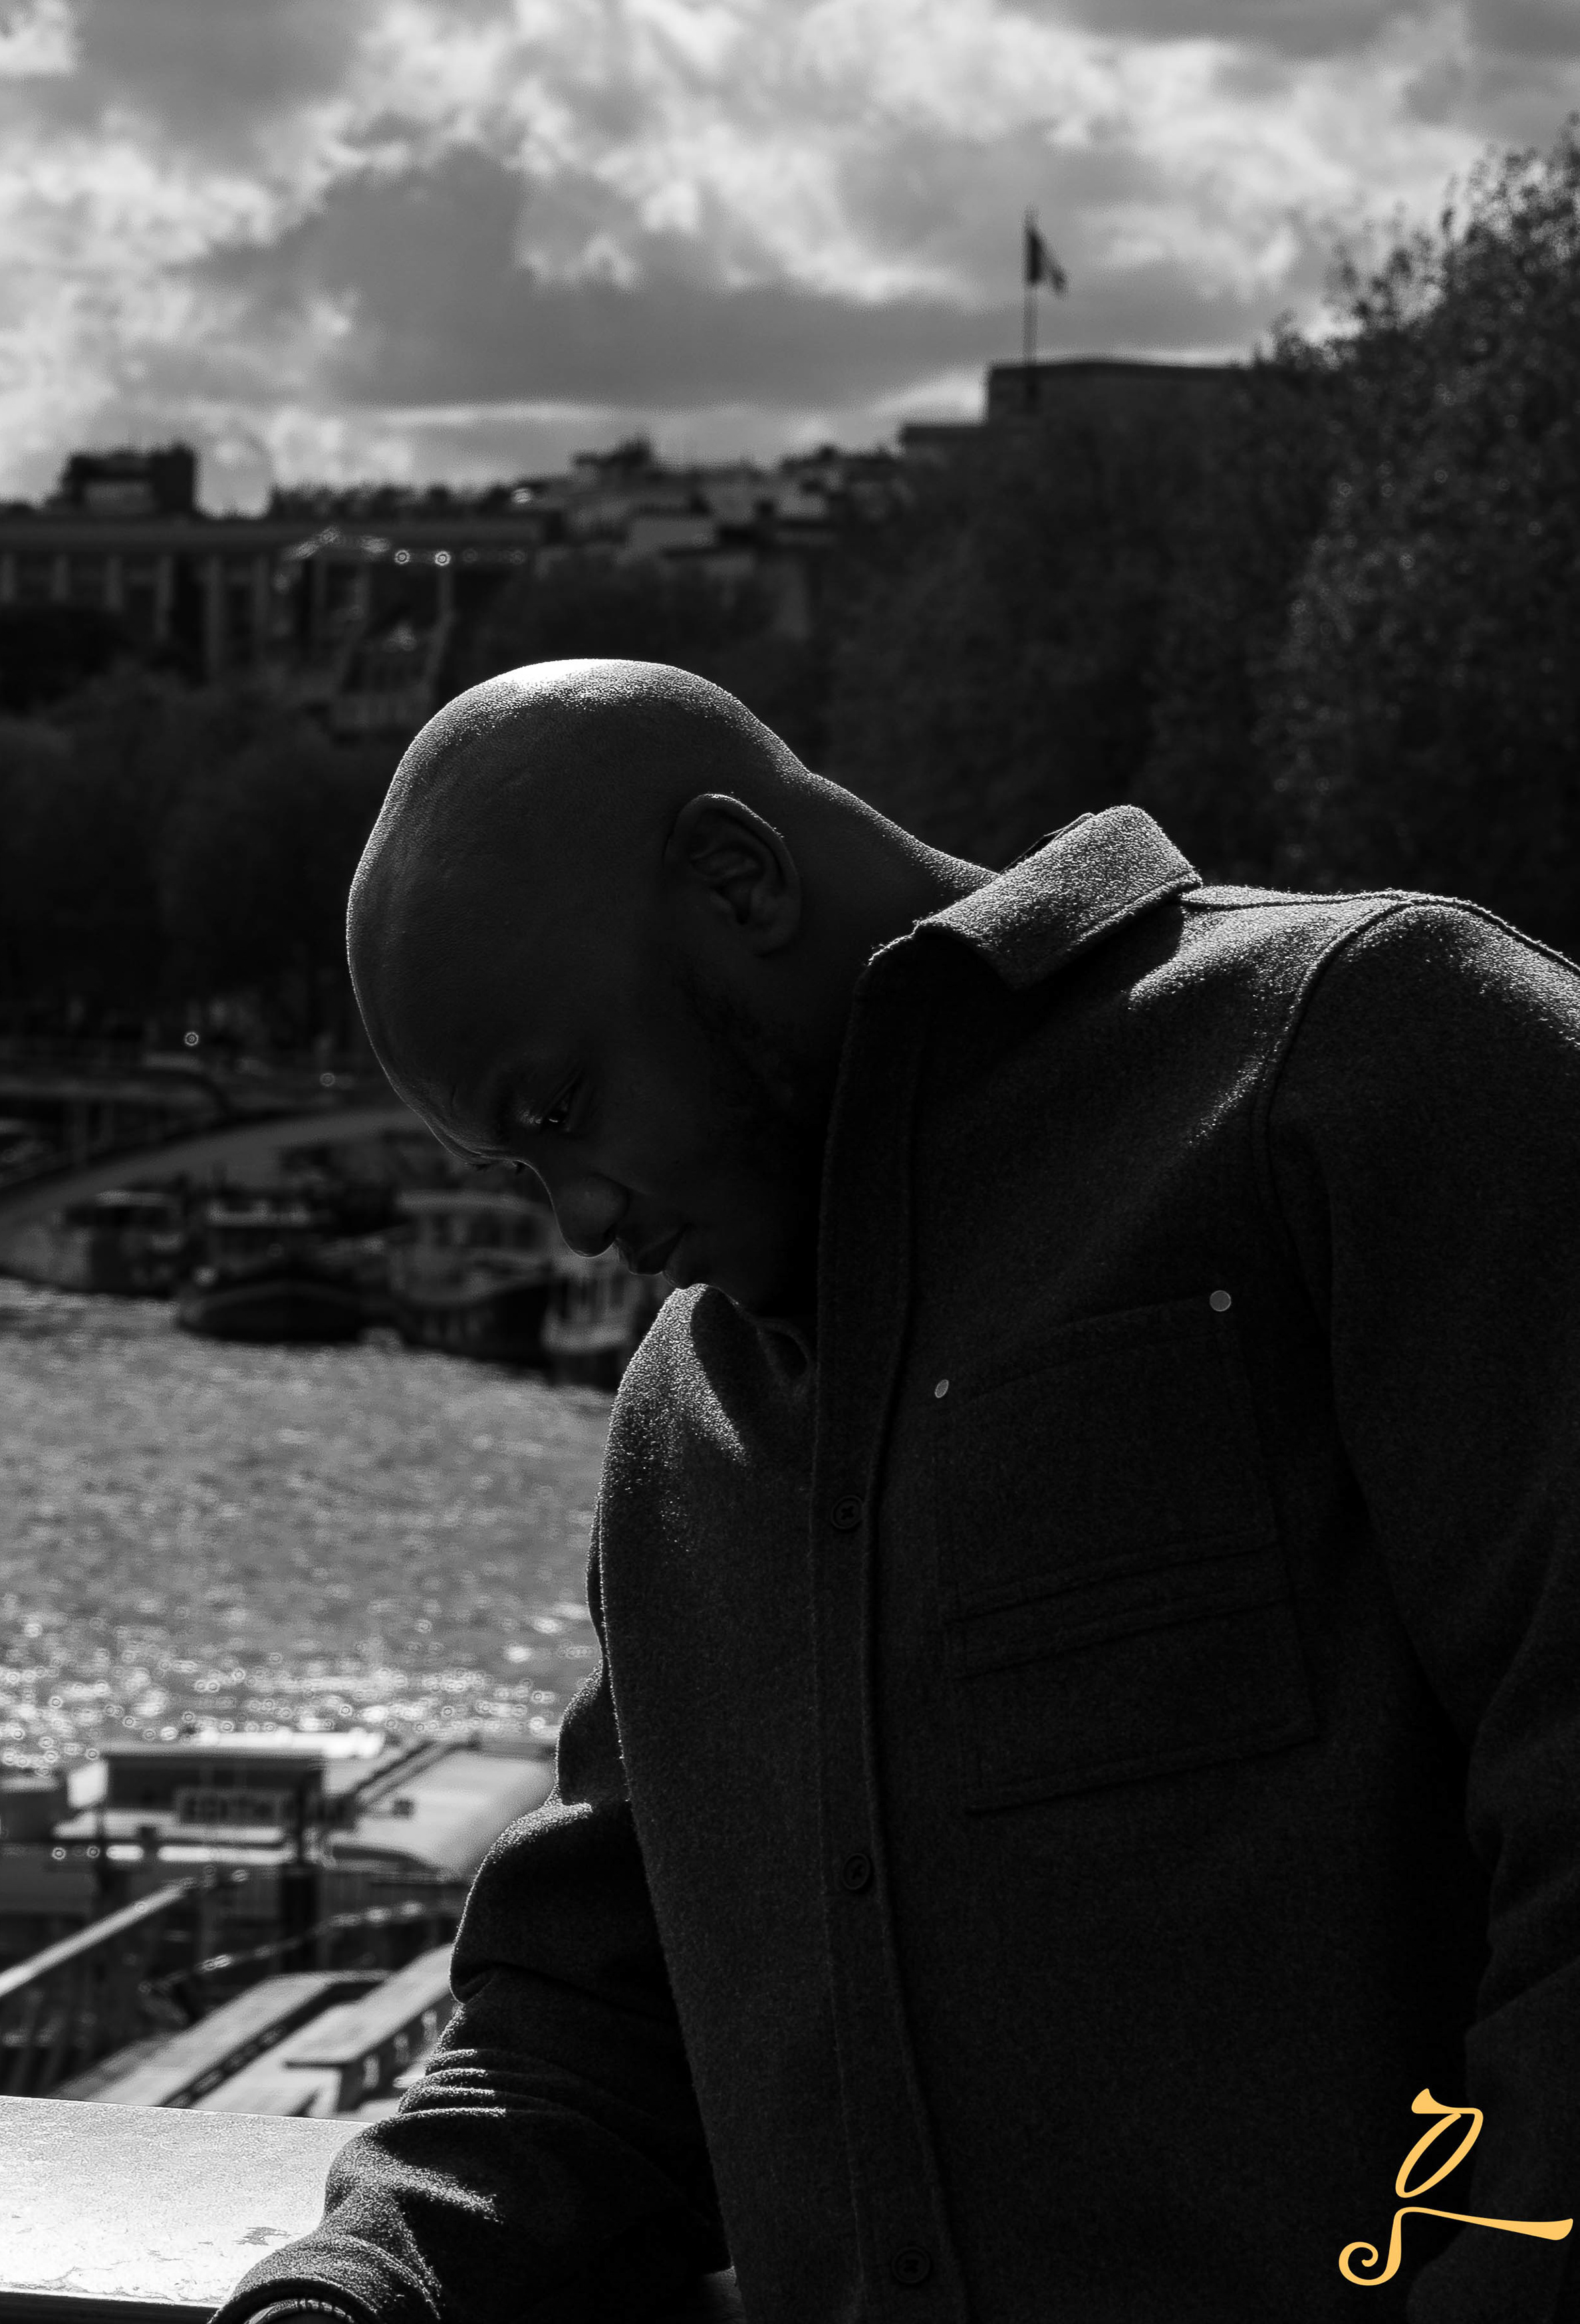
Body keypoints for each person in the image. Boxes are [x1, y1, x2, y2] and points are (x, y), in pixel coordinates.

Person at [215, 659, 1580, 2324]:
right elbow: (596, 2026)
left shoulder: (1378, 1054)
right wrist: (369, 2281)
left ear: (741, 878)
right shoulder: (678, 1424)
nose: (572, 1220)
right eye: (514, 1167)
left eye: (559, 1110)